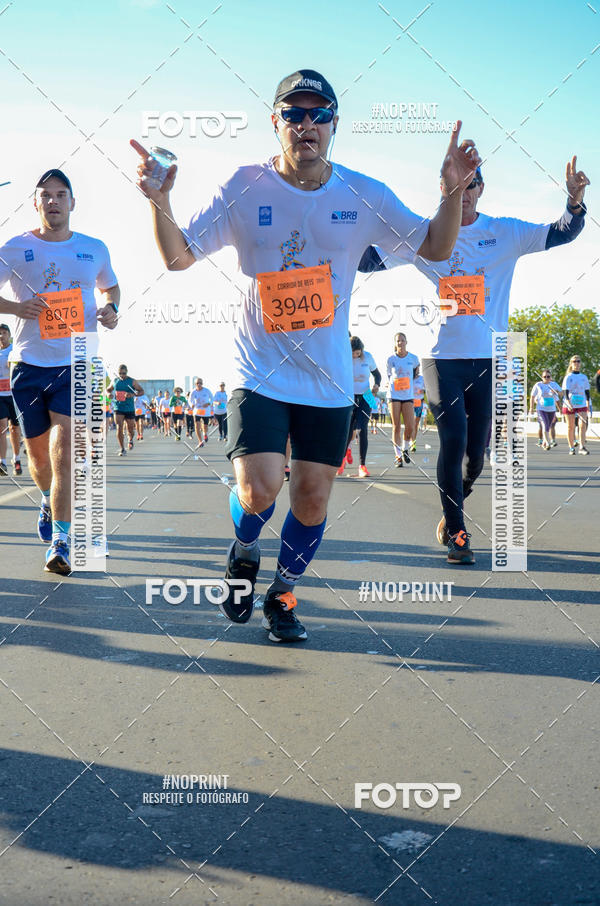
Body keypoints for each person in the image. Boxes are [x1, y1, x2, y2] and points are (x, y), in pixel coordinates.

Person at [132, 68, 479, 641]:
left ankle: (282, 595)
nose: (306, 124)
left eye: (318, 114)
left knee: (312, 499)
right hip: (258, 370)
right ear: (276, 123)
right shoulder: (244, 186)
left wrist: (449, 194)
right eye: (293, 114)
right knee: (258, 490)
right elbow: (178, 256)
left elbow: (437, 247)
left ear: (334, 124)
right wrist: (160, 200)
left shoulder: (364, 194)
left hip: (328, 379)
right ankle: (245, 549)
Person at [359, 155, 589, 563]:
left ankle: (455, 504)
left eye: (470, 186)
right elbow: (368, 261)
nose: (463, 194)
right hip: (440, 358)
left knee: (476, 459)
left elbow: (561, 233)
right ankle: (458, 532)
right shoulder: (426, 234)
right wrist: (339, 230)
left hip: (489, 358)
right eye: (455, 186)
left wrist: (573, 203)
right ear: (443, 189)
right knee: (452, 439)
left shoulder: (504, 232)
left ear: (481, 189)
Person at [0, 168, 119, 573]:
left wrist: (111, 308)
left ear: (72, 202)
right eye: (45, 195)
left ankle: (61, 541)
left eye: (60, 194)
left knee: (65, 449)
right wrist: (16, 308)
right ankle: (48, 500)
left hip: (77, 361)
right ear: (35, 203)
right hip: (29, 363)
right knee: (39, 459)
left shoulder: (93, 248)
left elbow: (111, 287)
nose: (53, 201)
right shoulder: (15, 248)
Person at [337, 336, 380, 478]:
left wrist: (377, 385)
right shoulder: (344, 358)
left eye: (357, 353)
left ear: (361, 350)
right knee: (348, 430)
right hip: (350, 396)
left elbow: (377, 375)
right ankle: (341, 460)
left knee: (362, 429)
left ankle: (362, 465)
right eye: (353, 353)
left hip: (366, 395)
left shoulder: (368, 357)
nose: (355, 355)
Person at [386, 332, 419, 467]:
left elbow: (416, 372)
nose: (400, 343)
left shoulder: (413, 358)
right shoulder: (391, 359)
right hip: (394, 395)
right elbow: (389, 375)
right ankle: (398, 456)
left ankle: (405, 448)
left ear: (406, 342)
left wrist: (408, 382)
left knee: (410, 426)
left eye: (402, 340)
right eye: (398, 341)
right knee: (396, 426)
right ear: (395, 343)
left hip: (408, 396)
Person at [0, 324, 22, 476]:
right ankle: (2, 462)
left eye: (4, 333)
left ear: (9, 335)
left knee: (14, 428)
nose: (1, 336)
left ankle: (16, 458)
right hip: (0, 396)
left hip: (14, 394)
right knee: (2, 426)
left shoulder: (15, 350)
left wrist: (14, 364)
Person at [107, 364, 143, 455]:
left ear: (126, 372)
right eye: (120, 373)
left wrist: (132, 394)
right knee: (119, 427)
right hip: (118, 407)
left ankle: (130, 439)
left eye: (123, 373)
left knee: (130, 428)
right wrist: (108, 395)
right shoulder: (115, 381)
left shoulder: (132, 381)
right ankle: (122, 449)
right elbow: (108, 390)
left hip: (129, 408)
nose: (122, 375)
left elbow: (141, 391)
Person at [562, 355, 591, 454]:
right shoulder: (568, 377)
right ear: (571, 363)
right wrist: (569, 403)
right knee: (571, 427)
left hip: (581, 404)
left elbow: (587, 392)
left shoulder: (584, 377)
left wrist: (588, 405)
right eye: (574, 361)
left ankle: (582, 447)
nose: (576, 363)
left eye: (578, 361)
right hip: (569, 404)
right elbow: (565, 392)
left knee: (582, 425)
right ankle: (571, 447)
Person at [529, 369, 561, 449]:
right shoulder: (538, 385)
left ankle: (544, 442)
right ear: (542, 377)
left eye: (548, 376)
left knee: (548, 427)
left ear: (551, 377)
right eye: (544, 376)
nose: (546, 378)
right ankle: (547, 442)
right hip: (541, 409)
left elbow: (561, 393)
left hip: (551, 409)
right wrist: (531, 408)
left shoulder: (554, 384)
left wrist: (556, 391)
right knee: (544, 425)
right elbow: (532, 396)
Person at [188, 377, 213, 447]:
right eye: (197, 383)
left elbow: (212, 398)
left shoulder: (207, 390)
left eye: (200, 383)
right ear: (195, 384)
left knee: (205, 426)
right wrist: (191, 404)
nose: (199, 384)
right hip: (197, 411)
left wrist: (209, 403)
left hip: (206, 411)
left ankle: (205, 433)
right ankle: (200, 441)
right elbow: (189, 400)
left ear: (202, 383)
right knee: (197, 426)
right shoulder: (193, 392)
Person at [411, 368, 426, 451]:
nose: (418, 370)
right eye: (417, 368)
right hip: (410, 401)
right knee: (410, 423)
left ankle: (413, 443)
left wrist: (423, 390)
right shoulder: (409, 377)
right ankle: (410, 442)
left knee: (415, 424)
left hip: (419, 401)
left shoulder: (422, 378)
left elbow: (427, 388)